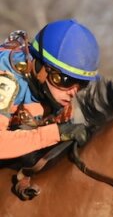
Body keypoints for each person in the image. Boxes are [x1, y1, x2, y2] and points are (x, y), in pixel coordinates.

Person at [0, 19, 100, 162]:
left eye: (82, 84)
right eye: (66, 81)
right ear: (42, 68)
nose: (73, 92)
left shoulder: (59, 97)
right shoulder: (6, 78)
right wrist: (57, 133)